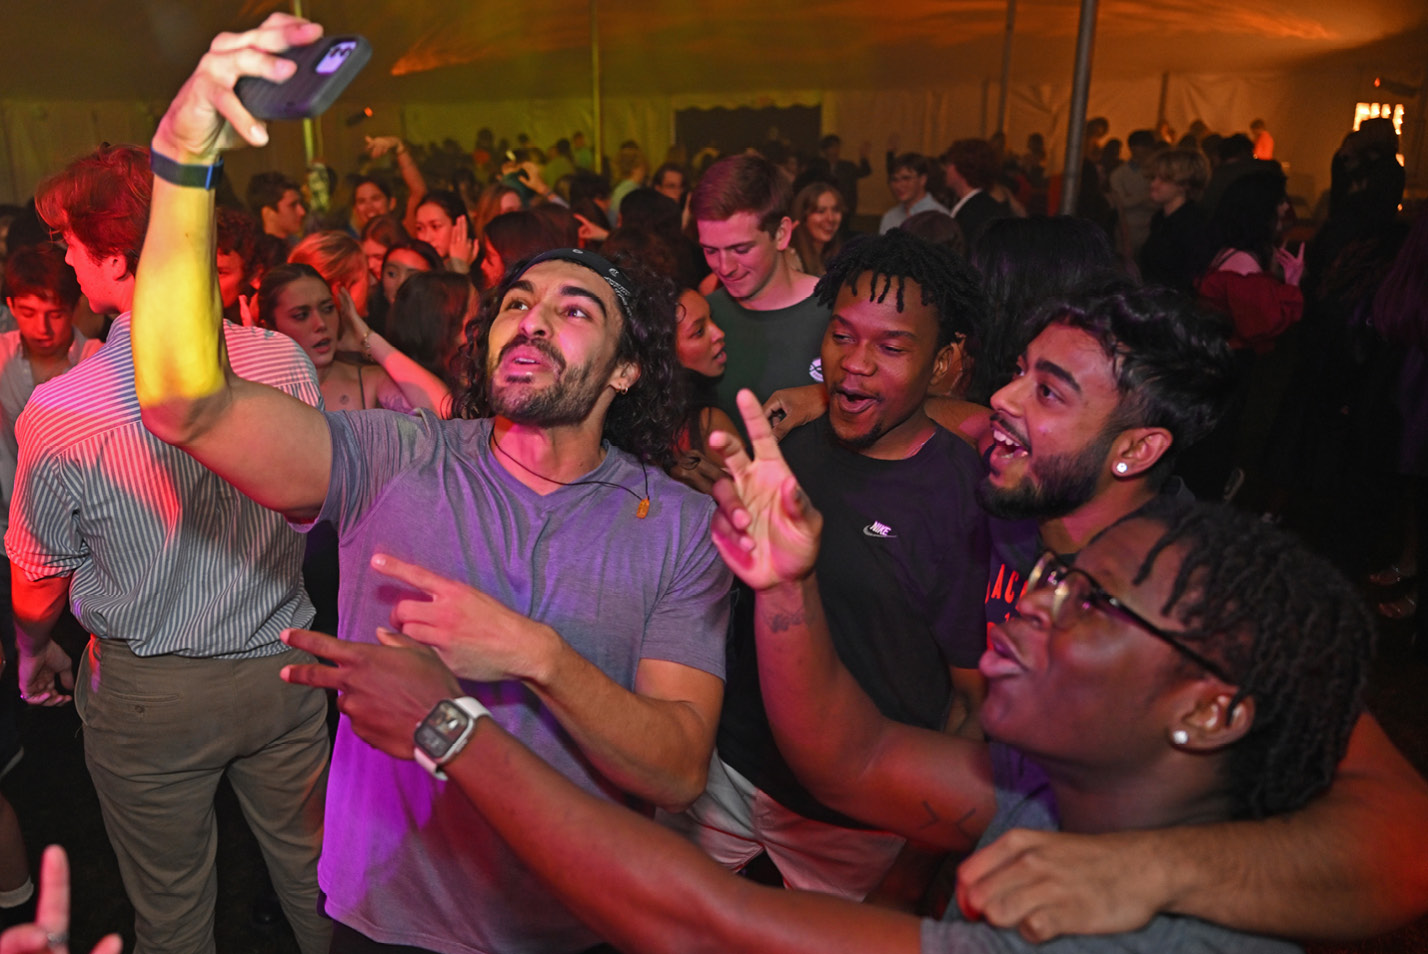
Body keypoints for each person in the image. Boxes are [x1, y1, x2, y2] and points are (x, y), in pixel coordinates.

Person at [131, 17, 732, 954]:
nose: (531, 322)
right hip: (387, 920)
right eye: (517, 305)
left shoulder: (682, 527)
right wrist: (181, 161)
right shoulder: (397, 458)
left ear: (626, 374)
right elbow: (185, 406)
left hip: (576, 924)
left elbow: (680, 767)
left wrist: (535, 654)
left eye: (575, 310)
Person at [282, 464, 1377, 954]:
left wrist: (449, 727)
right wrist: (784, 586)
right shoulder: (1054, 801)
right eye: (1052, 575)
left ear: (1211, 710)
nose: (1033, 603)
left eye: (1089, 601)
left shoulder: (1140, 939)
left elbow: (703, 925)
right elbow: (847, 754)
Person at [11, 141, 331, 954]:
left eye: (71, 248)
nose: (67, 265)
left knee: (173, 911)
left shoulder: (65, 409)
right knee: (323, 885)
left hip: (153, 696)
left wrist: (33, 647)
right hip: (286, 670)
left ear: (117, 259)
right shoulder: (281, 360)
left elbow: (35, 588)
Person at [665, 230, 991, 902]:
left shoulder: (962, 497)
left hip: (854, 818)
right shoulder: (786, 448)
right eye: (842, 336)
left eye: (892, 347)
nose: (855, 365)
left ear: (943, 362)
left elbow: (970, 702)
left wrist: (913, 866)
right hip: (730, 770)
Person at [691, 155, 823, 424]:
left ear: (781, 234)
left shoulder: (834, 309)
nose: (724, 267)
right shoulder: (705, 319)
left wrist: (826, 397)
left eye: (741, 249)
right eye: (710, 250)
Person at [941, 139, 1012, 250]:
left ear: (961, 168)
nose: (945, 169)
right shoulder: (978, 204)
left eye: (949, 163)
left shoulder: (977, 211)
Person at [879, 153, 949, 234]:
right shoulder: (890, 217)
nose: (899, 186)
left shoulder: (940, 217)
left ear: (923, 179)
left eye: (906, 178)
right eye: (894, 180)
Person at [786, 183, 844, 277]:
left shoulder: (836, 257)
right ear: (803, 217)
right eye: (820, 211)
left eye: (835, 210)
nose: (830, 218)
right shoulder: (791, 258)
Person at [246, 170, 306, 242]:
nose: (302, 212)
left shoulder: (300, 248)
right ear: (269, 213)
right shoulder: (251, 250)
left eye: (300, 203)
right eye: (292, 205)